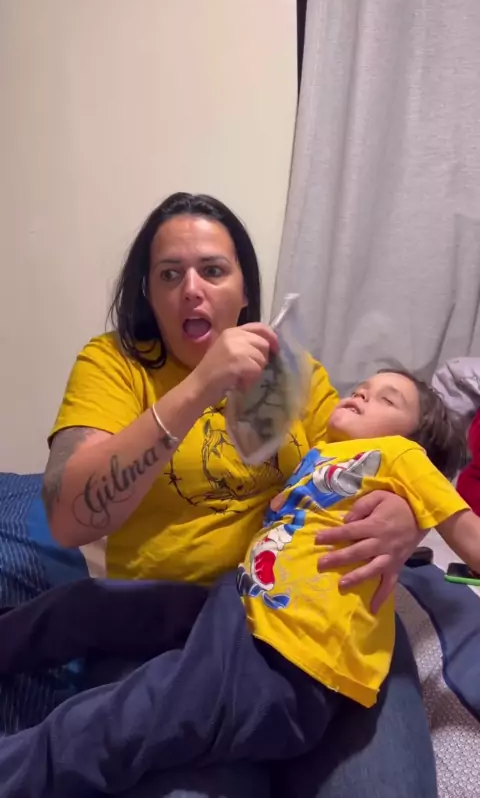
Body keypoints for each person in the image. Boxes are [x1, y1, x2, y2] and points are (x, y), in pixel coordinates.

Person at [41, 193, 437, 798]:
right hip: (169, 631)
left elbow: (383, 454)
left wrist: (408, 514)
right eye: (169, 274)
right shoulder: (114, 364)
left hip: (320, 629)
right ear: (148, 293)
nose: (191, 290)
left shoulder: (294, 371)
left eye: (213, 270)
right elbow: (69, 518)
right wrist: (202, 385)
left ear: (245, 289)